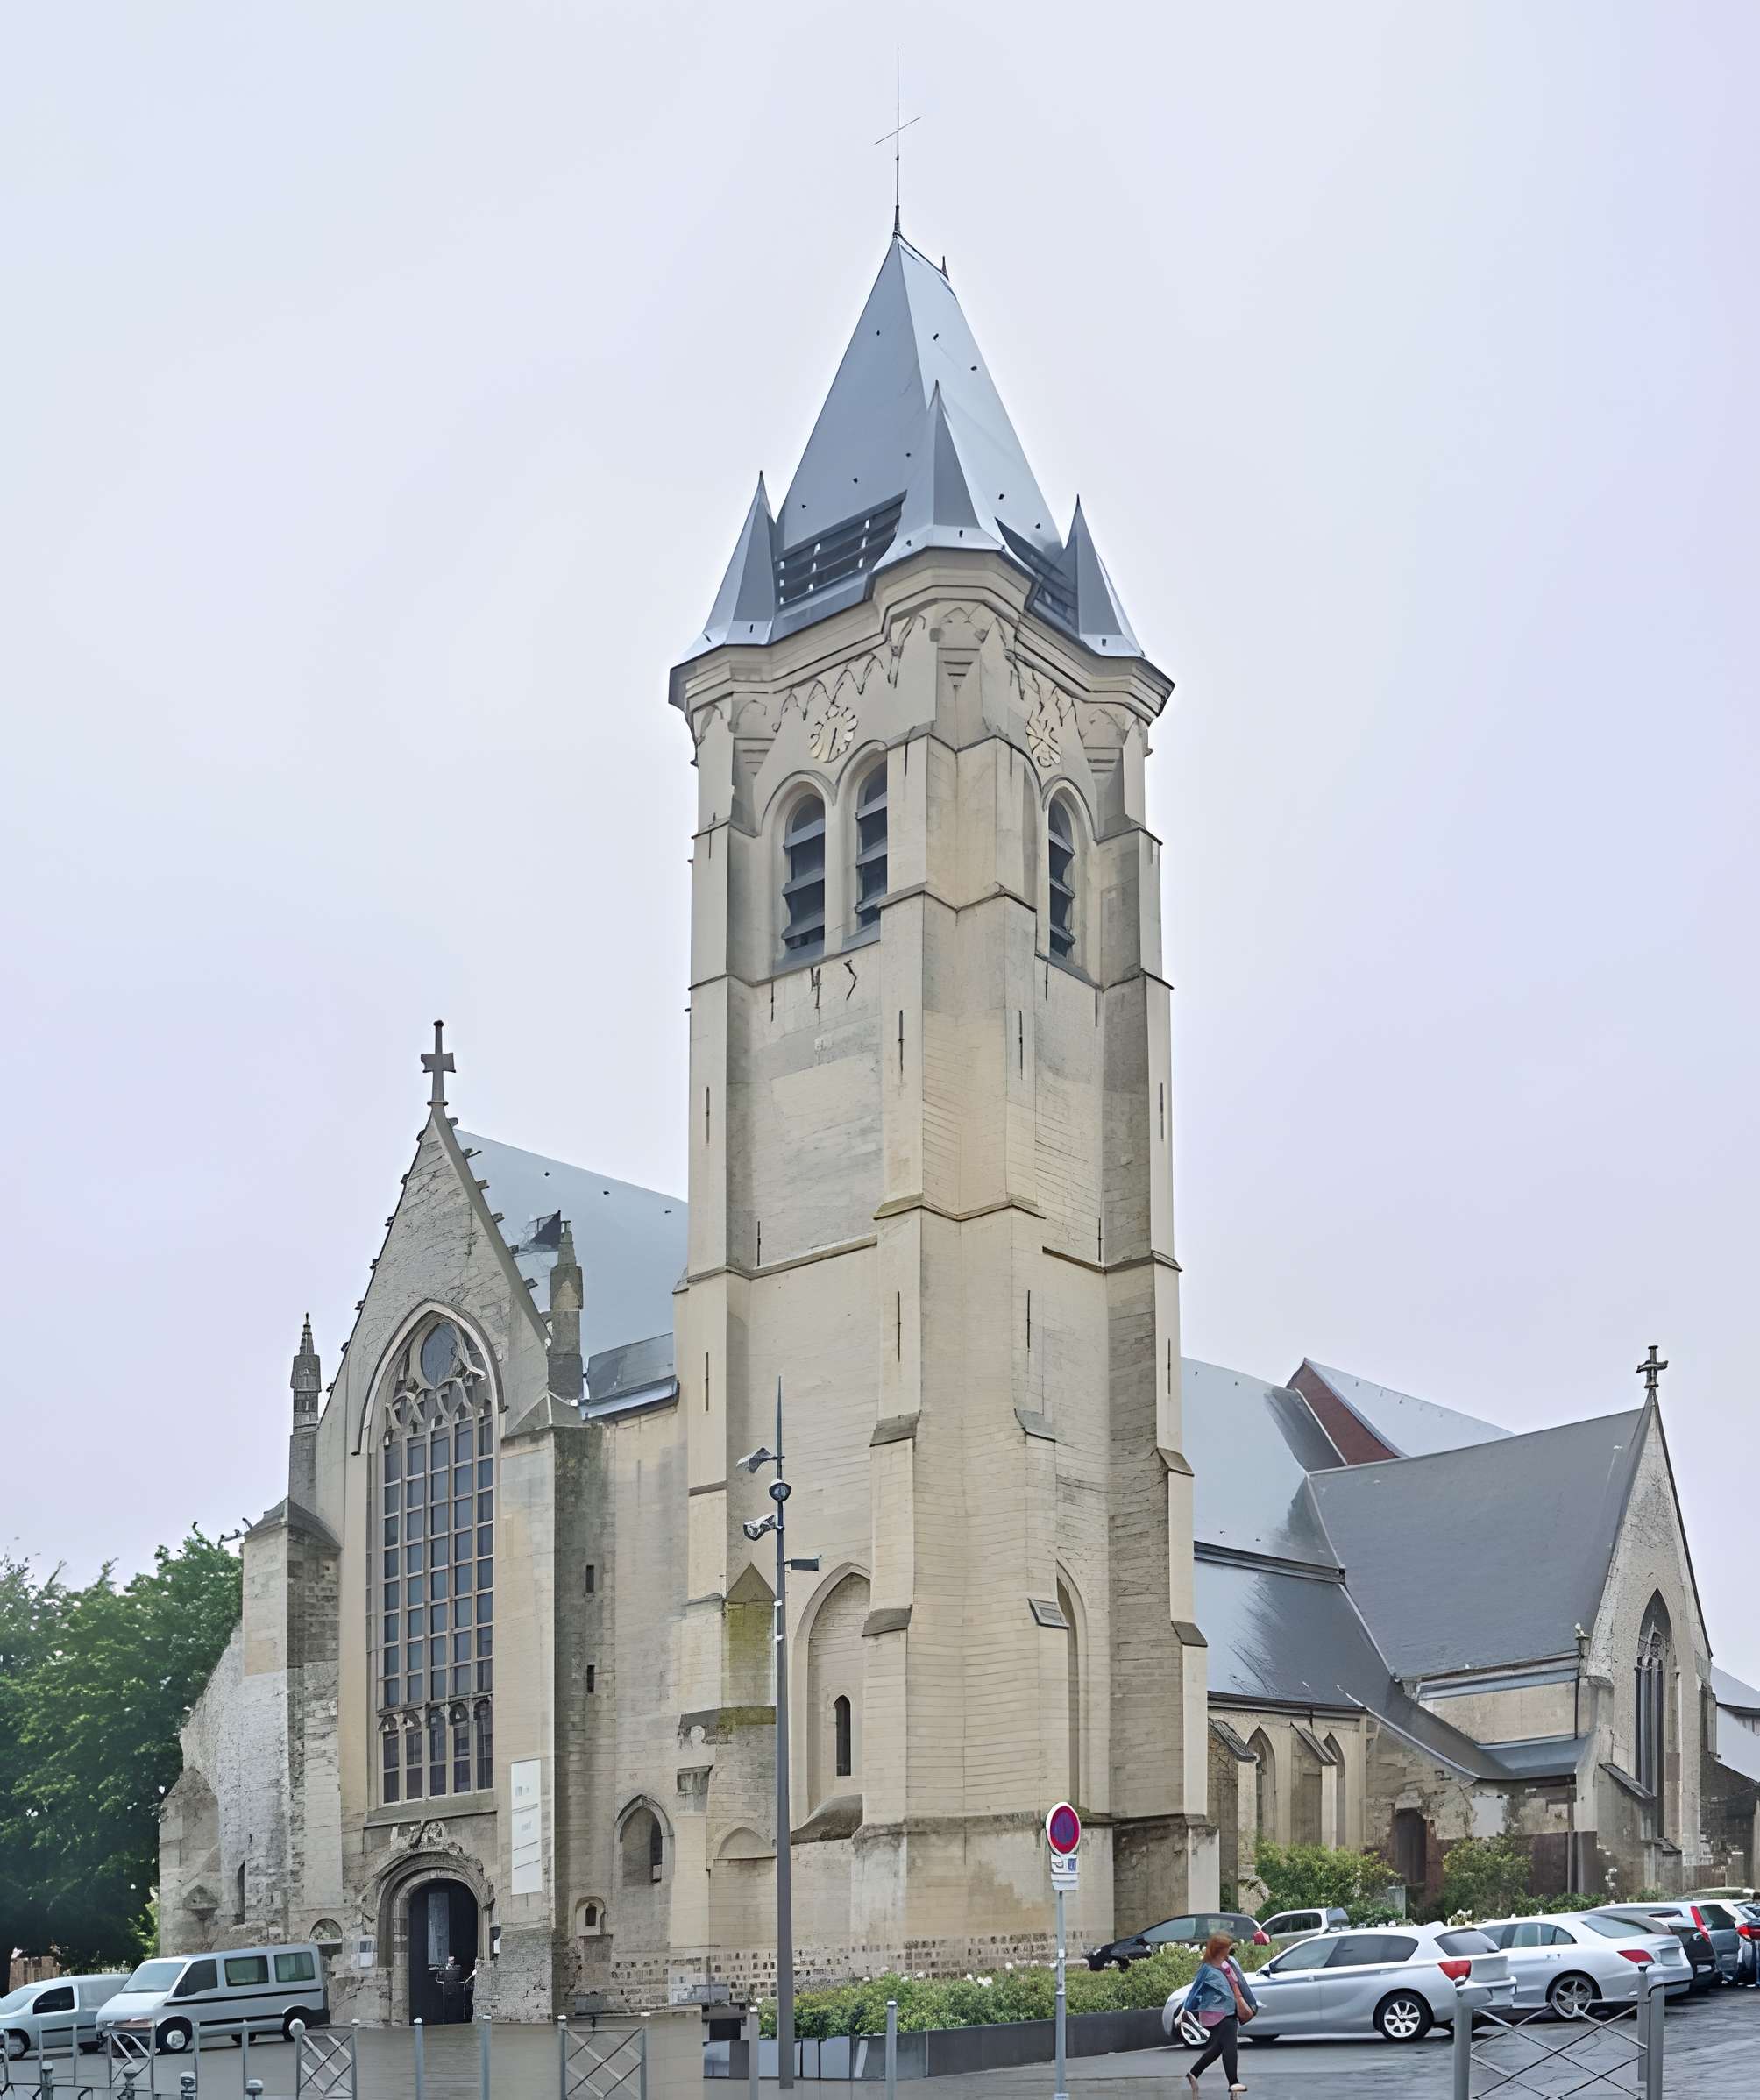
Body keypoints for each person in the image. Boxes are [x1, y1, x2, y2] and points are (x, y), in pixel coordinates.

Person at [1182, 1931, 1257, 2096]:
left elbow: (1236, 1984)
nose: (1229, 1951)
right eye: (1226, 1948)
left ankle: (1193, 2073)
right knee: (1230, 2047)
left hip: (1230, 2010)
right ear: (1218, 1950)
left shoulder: (1226, 1965)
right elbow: (1195, 1991)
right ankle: (1233, 2083)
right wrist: (1189, 2007)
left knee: (1218, 2047)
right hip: (1216, 2014)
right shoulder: (1207, 1969)